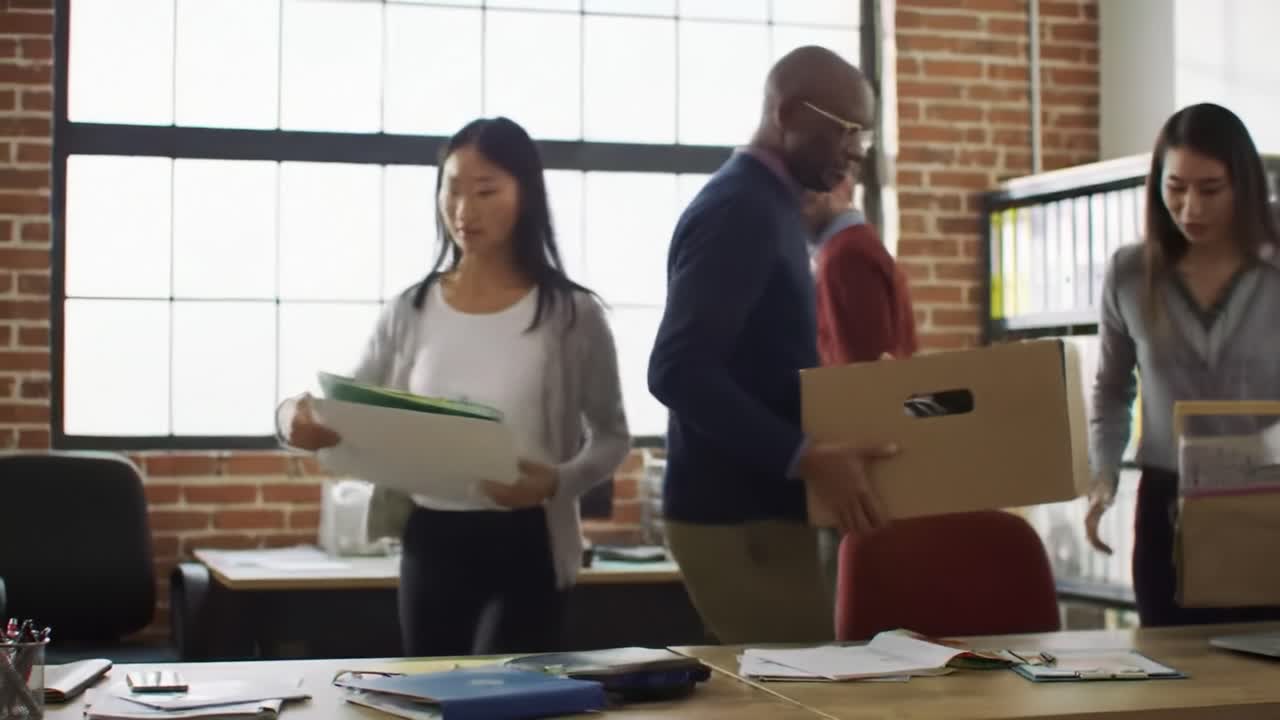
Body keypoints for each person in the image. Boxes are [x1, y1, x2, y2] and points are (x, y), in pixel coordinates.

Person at [277, 116, 631, 655]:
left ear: (526, 194)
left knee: (507, 691)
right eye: (453, 189)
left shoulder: (571, 314)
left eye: (486, 191)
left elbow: (612, 437)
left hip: (528, 538)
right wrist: (293, 421)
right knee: (434, 690)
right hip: (432, 538)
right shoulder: (412, 309)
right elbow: (342, 408)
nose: (465, 211)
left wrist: (556, 481)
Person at [647, 46, 898, 645]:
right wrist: (805, 455)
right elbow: (677, 369)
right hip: (735, 516)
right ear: (787, 114)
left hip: (762, 509)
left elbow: (760, 363)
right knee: (802, 687)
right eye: (845, 130)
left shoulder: (768, 204)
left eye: (863, 135)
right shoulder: (741, 208)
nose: (856, 151)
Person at [1086, 102, 1280, 627]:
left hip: (1267, 494)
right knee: (1172, 663)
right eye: (1175, 188)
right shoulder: (1130, 273)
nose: (1190, 207)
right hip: (1169, 504)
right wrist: (1103, 474)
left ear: (1244, 185)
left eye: (1211, 189)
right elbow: (1112, 389)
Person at [801, 167, 920, 605]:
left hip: (859, 471)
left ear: (838, 188)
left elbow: (863, 376)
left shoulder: (843, 256)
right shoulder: (853, 247)